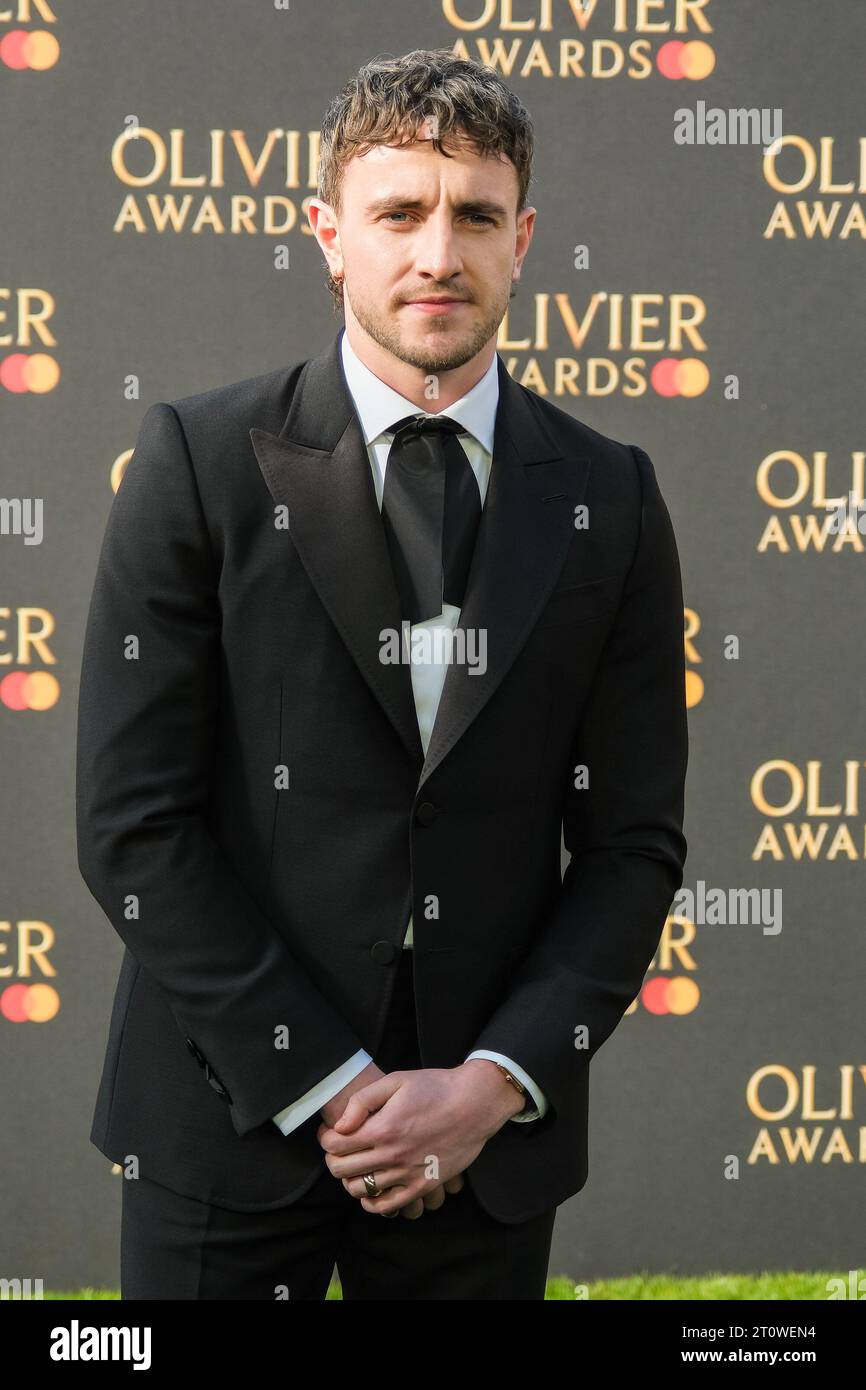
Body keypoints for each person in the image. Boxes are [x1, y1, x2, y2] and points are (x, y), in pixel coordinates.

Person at [76, 47, 688, 1301]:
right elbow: (132, 826)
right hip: (226, 1119)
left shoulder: (607, 496)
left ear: (523, 239)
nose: (435, 254)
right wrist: (328, 1083)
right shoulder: (197, 462)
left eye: (473, 215)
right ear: (328, 234)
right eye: (398, 211)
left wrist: (492, 1084)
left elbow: (630, 845)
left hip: (480, 1150)